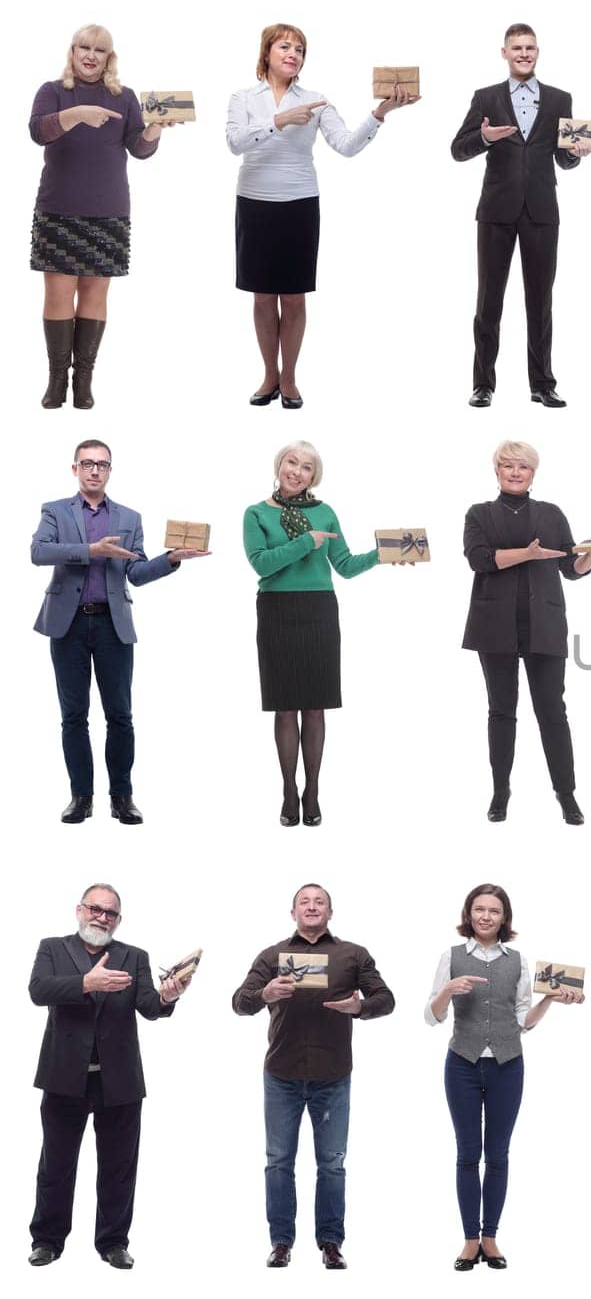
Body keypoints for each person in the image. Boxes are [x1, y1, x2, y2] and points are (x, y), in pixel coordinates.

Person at [225, 22, 418, 408]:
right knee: (263, 296)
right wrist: (279, 121)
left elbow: (345, 145)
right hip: (255, 202)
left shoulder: (315, 100)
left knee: (294, 297)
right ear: (267, 53)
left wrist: (380, 114)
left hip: (299, 204)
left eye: (299, 49)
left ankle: (290, 378)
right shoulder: (244, 97)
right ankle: (268, 376)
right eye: (285, 46)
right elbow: (234, 143)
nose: (293, 54)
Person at [32, 438, 210, 826]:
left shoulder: (129, 518)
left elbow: (137, 572)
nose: (95, 470)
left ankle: (122, 797)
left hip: (114, 625)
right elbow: (39, 552)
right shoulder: (55, 511)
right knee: (74, 715)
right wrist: (91, 549)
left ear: (111, 470)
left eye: (103, 464)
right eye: (88, 463)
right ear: (75, 469)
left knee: (121, 716)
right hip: (69, 623)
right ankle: (81, 797)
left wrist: (171, 560)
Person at [243, 440, 413, 827]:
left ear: (313, 476)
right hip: (277, 611)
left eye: (306, 467)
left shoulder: (326, 512)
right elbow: (262, 565)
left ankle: (313, 790)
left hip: (319, 610)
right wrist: (305, 542)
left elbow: (347, 566)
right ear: (279, 464)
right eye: (291, 462)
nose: (297, 472)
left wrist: (385, 554)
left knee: (315, 706)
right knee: (285, 706)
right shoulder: (255, 513)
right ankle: (288, 789)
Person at [232, 884, 395, 1270]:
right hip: (282, 1075)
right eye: (304, 901)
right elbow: (239, 1002)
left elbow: (386, 999)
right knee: (278, 1162)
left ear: (330, 912)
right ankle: (281, 1243)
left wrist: (360, 1007)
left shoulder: (352, 954)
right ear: (292, 913)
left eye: (319, 901)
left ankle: (330, 1242)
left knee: (332, 1164)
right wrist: (264, 994)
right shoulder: (272, 955)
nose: (311, 906)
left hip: (333, 1076)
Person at [28, 884, 188, 1269]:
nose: (102, 917)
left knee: (118, 1169)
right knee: (57, 1165)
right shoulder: (52, 947)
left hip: (119, 1081)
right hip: (64, 1077)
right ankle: (47, 1241)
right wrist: (86, 983)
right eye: (95, 909)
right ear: (80, 910)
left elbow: (150, 1006)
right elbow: (38, 990)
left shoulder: (134, 956)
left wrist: (170, 994)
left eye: (111, 913)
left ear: (119, 920)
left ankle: (114, 1242)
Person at [427, 884, 582, 1270]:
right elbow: (432, 1017)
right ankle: (468, 1240)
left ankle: (490, 1238)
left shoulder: (518, 960)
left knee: (497, 1156)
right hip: (461, 1062)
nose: (485, 916)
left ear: (504, 918)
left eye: (494, 911)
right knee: (467, 1154)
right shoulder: (451, 956)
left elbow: (523, 1022)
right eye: (479, 909)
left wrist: (548, 1000)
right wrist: (447, 990)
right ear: (468, 913)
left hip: (507, 1065)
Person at [30, 25, 184, 409]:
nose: (91, 55)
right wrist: (78, 114)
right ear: (73, 50)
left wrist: (154, 131)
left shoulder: (126, 97)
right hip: (59, 208)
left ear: (109, 57)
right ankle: (55, 382)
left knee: (96, 294)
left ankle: (83, 382)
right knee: (59, 294)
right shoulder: (53, 91)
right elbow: (38, 132)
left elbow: (140, 149)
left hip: (108, 210)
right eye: (84, 47)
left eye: (99, 50)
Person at [451, 23, 591, 409]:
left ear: (537, 52)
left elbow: (563, 159)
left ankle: (543, 384)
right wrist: (485, 138)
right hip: (496, 210)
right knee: (488, 301)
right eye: (517, 48)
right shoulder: (486, 97)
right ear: (505, 53)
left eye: (530, 47)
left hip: (542, 211)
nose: (524, 53)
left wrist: (575, 155)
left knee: (540, 301)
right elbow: (457, 150)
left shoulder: (561, 99)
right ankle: (483, 384)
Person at [463, 440, 591, 825]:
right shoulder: (479, 514)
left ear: (533, 473)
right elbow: (480, 560)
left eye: (522, 467)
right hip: (495, 627)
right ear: (497, 471)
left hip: (545, 625)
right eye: (508, 466)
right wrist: (527, 554)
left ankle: (567, 794)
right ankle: (500, 791)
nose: (515, 472)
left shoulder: (551, 514)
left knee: (553, 712)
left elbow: (571, 568)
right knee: (501, 711)